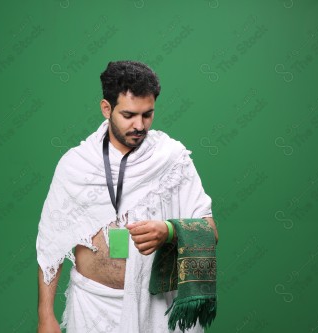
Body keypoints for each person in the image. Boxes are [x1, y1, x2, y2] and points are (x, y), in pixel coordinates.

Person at [36, 60, 218, 333]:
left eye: (147, 115)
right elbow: (51, 244)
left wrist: (169, 231)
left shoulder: (171, 160)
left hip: (156, 307)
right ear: (106, 109)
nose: (140, 125)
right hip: (92, 307)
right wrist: (45, 315)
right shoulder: (76, 165)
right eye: (129, 115)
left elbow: (210, 231)